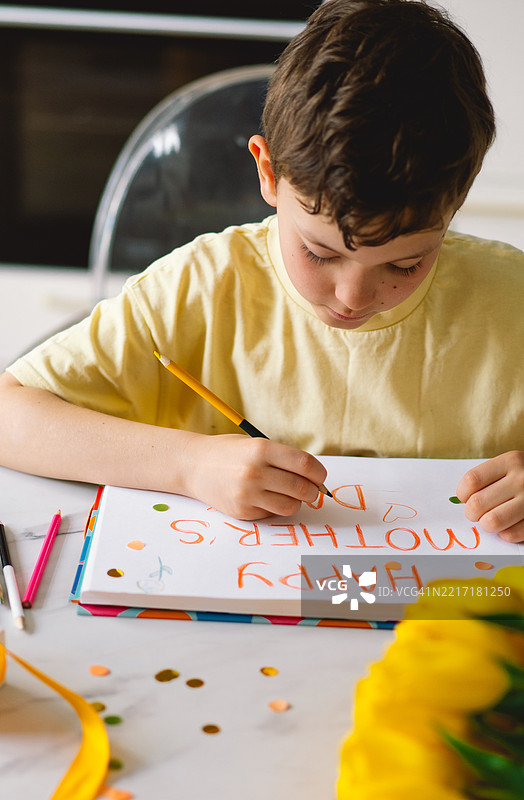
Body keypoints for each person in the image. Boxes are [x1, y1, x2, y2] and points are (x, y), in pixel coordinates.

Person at [0, 0, 523, 541]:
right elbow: (7, 416)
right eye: (320, 253)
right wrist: (189, 465)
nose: (353, 296)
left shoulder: (512, 301)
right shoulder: (201, 287)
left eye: (405, 263)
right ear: (268, 172)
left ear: (457, 201)